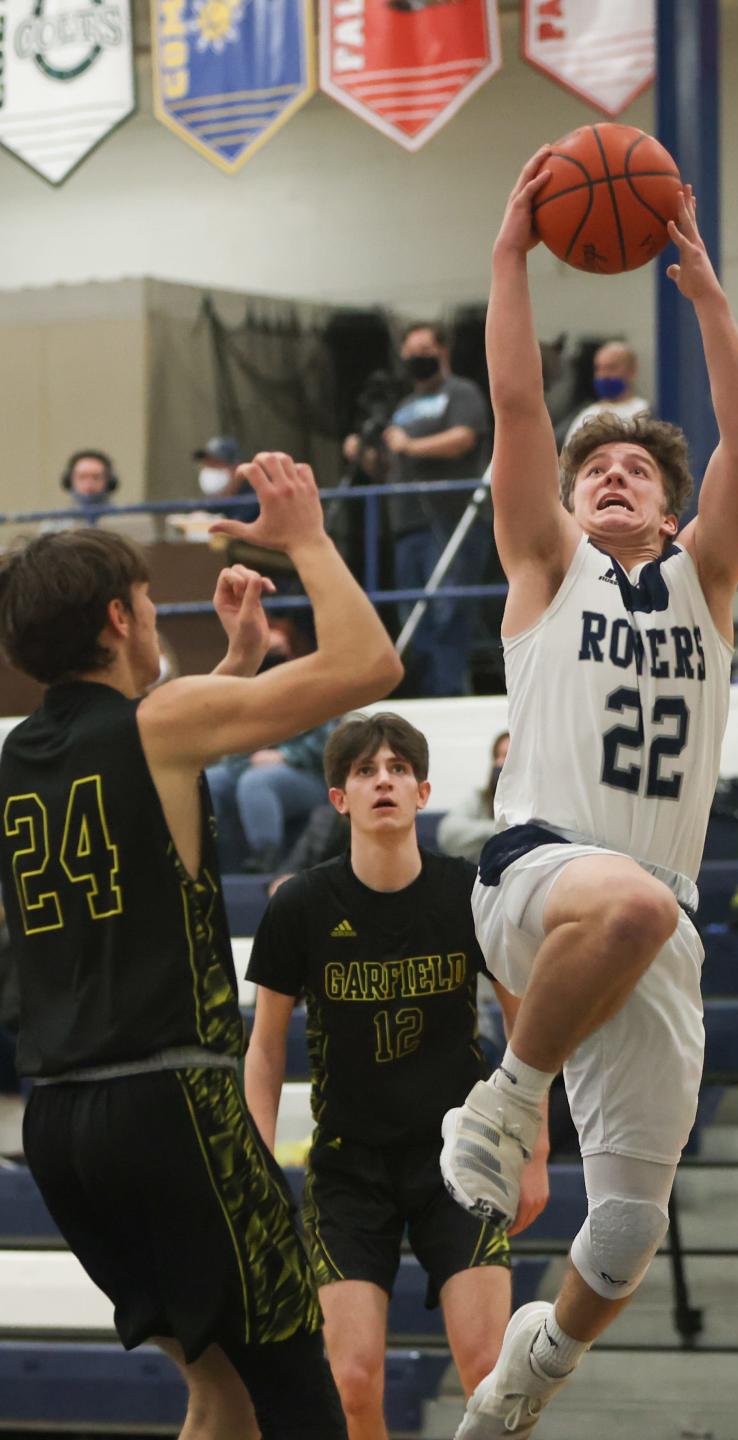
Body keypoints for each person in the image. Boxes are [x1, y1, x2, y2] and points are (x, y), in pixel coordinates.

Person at [438, 152, 738, 1438]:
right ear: (568, 506)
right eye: (597, 472)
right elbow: (520, 411)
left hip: (654, 922)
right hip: (538, 872)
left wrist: (709, 301)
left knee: (626, 1234)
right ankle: (507, 1102)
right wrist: (513, 254)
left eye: (639, 470)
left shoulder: (709, 581)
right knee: (626, 902)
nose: (615, 476)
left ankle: (525, 1382)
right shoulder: (547, 568)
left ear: (676, 506)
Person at [0, 452, 402, 1439]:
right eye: (146, 598)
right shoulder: (162, 723)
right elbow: (370, 667)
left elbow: (149, 779)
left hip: (58, 1126)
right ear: (119, 620)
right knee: (298, 1392)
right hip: (172, 1104)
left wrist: (236, 669)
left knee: (219, 1394)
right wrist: (304, 535)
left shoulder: (17, 752)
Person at [244, 712, 549, 1440]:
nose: (384, 778)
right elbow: (261, 1050)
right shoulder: (300, 907)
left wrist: (534, 1151)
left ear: (423, 791)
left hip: (461, 1160)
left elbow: (528, 1024)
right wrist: (254, 1164)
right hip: (350, 1168)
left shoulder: (469, 893)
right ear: (339, 799)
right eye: (364, 771)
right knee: (352, 1381)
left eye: (398, 769)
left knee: (489, 1372)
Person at [382, 322, 492, 698]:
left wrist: (411, 446)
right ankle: (424, 693)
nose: (417, 359)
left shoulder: (461, 393)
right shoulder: (402, 407)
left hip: (453, 519)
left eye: (424, 350)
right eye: (410, 353)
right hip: (407, 524)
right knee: (412, 616)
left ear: (443, 352)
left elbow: (463, 438)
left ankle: (450, 692)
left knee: (449, 612)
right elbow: (389, 464)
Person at [206, 719, 336, 872]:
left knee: (256, 782)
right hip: (249, 765)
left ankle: (265, 859)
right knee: (209, 781)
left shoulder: (320, 700)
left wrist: (285, 756)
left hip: (308, 772)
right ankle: (206, 859)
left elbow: (328, 745)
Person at [437, 732, 510, 864]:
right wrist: (502, 829)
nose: (499, 762)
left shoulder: (540, 805)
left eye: (506, 756)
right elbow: (447, 833)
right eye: (497, 756)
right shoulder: (481, 798)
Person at [561, 342, 649, 448]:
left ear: (632, 370)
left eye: (611, 368)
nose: (604, 375)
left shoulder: (647, 413)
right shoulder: (586, 416)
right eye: (599, 369)